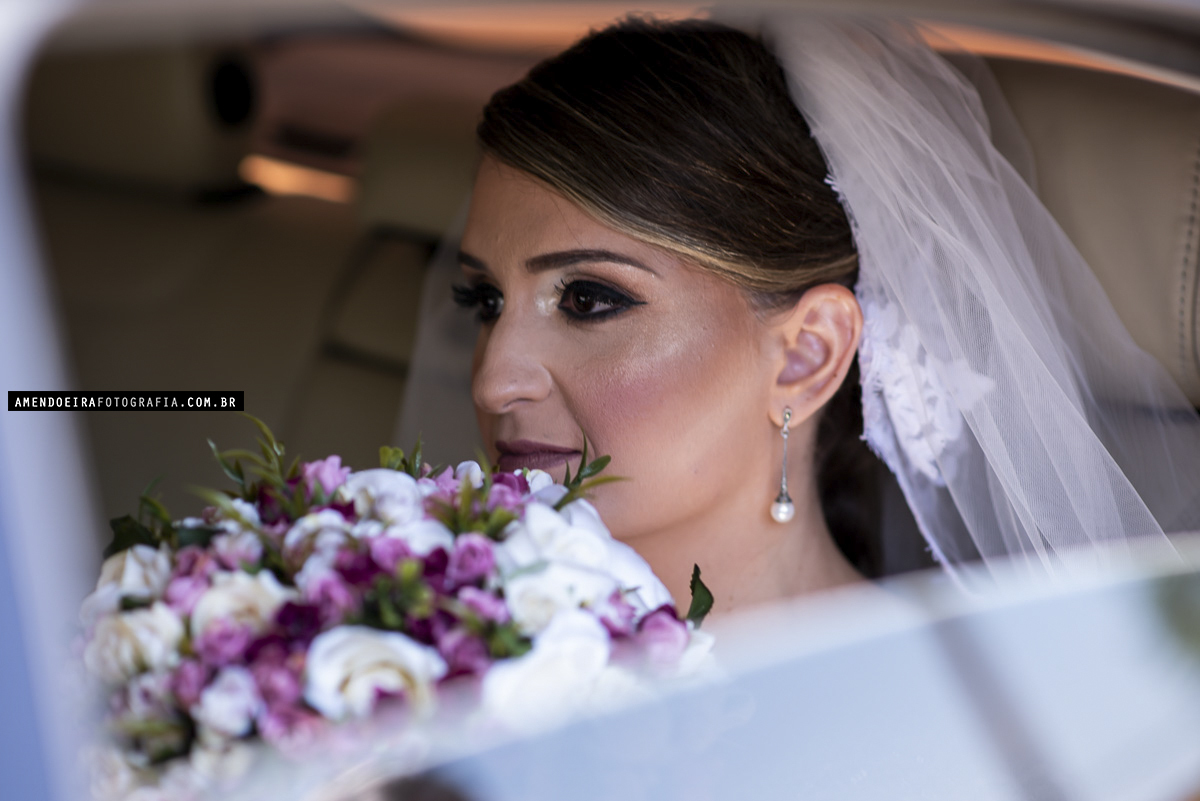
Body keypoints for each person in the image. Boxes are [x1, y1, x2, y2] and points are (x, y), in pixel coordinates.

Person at [440, 15, 1200, 614]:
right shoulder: (422, 644)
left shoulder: (970, 744)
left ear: (806, 355)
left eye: (587, 300)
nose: (492, 380)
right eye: (486, 301)